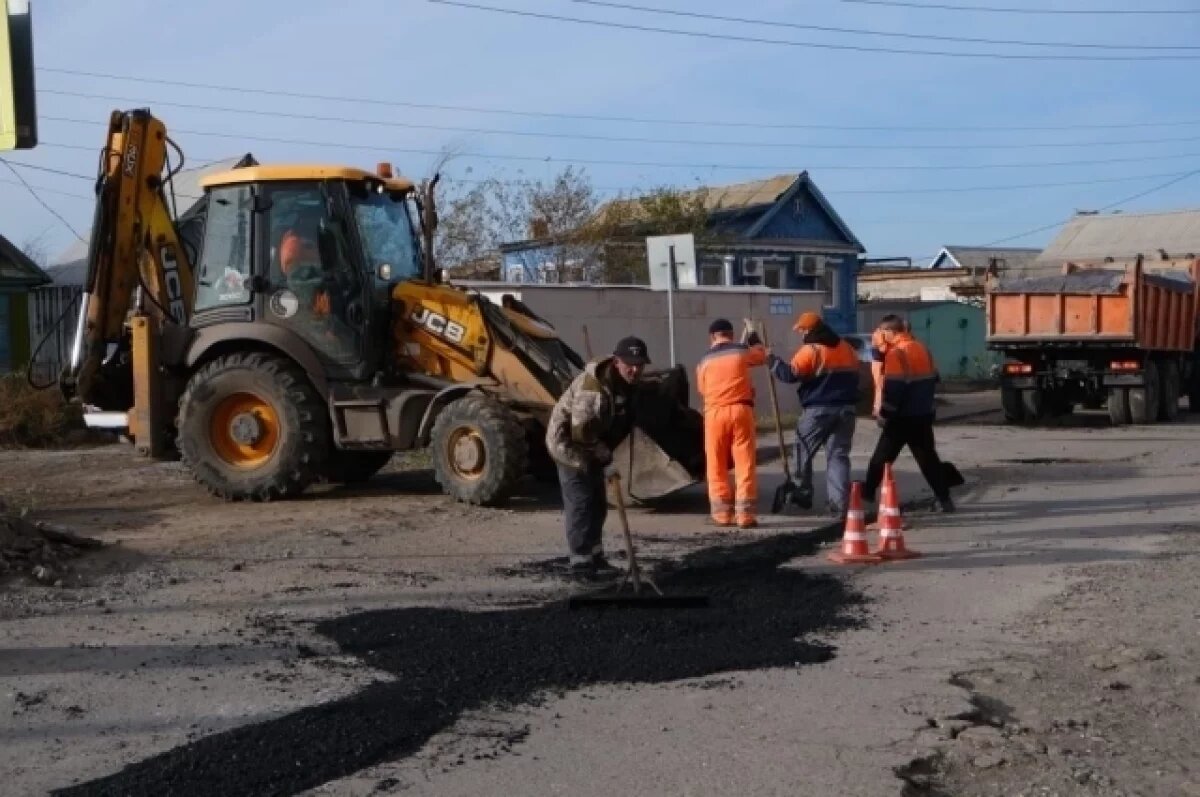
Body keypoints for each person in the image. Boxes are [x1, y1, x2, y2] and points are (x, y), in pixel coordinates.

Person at [545, 336, 649, 576]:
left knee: (598, 505)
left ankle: (595, 556)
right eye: (630, 364)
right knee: (581, 504)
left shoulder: (627, 384)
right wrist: (606, 458)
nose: (635, 369)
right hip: (569, 446)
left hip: (594, 446)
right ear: (616, 361)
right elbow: (581, 433)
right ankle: (581, 565)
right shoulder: (592, 389)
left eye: (640, 365)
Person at [767, 311, 859, 518]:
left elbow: (790, 375)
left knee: (802, 450)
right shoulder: (846, 348)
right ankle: (838, 506)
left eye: (801, 330)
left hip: (819, 410)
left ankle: (802, 493)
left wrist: (771, 360)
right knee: (838, 456)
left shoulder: (812, 350)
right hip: (847, 410)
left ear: (809, 330)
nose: (800, 334)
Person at [863, 314, 955, 513]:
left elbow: (894, 389)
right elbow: (934, 379)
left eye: (881, 332)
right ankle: (944, 499)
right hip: (922, 414)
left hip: (901, 418)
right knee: (928, 460)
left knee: (880, 458)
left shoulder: (897, 354)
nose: (878, 335)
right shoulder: (922, 349)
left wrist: (885, 415)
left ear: (890, 332)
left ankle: (865, 496)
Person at [695, 318, 767, 529]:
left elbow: (702, 389)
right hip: (741, 410)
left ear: (712, 337)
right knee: (744, 463)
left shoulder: (704, 361)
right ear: (732, 334)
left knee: (716, 464)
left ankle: (722, 515)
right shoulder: (741, 351)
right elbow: (762, 355)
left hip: (714, 414)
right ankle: (745, 516)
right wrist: (753, 334)